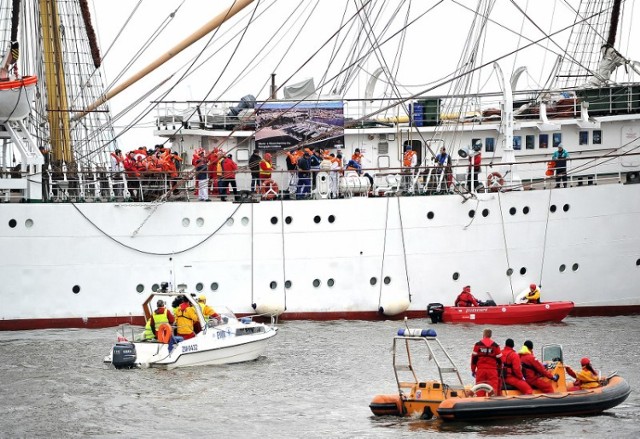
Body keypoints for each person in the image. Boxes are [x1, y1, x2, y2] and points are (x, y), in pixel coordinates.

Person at [471, 328, 502, 396]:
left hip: (481, 370)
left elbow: (474, 360)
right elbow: (499, 361)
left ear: (483, 334)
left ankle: (480, 403)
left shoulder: (477, 345)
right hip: (492, 371)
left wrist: (473, 370)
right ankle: (493, 404)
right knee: (493, 390)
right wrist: (499, 370)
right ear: (490, 335)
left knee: (480, 389)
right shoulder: (495, 346)